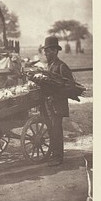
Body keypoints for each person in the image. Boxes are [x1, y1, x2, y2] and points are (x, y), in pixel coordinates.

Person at [42, 36, 74, 167]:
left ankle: (58, 157)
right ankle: (54, 153)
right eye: (45, 50)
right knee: (51, 129)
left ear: (55, 50)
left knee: (56, 130)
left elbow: (70, 86)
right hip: (49, 104)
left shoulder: (62, 66)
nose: (46, 53)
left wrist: (56, 93)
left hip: (57, 104)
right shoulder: (50, 65)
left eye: (48, 50)